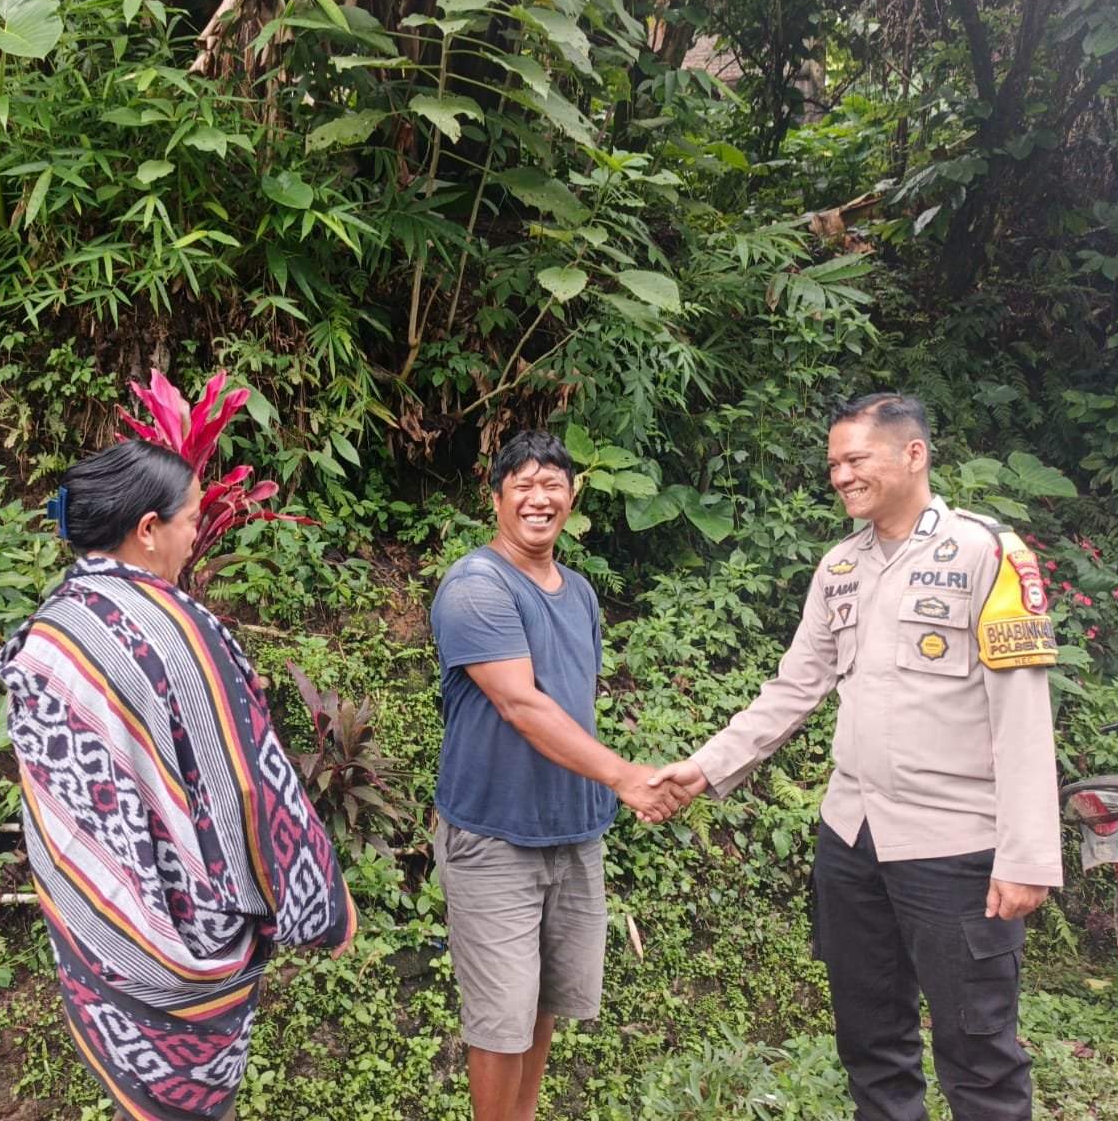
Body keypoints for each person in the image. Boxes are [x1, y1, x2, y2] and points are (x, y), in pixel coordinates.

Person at [651, 393, 1062, 1121]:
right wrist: (706, 766)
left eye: (855, 459)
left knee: (980, 1056)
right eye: (833, 463)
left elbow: (1021, 711)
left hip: (956, 845)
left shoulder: (987, 553)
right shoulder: (839, 567)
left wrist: (1028, 854)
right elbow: (794, 687)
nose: (840, 476)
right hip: (852, 837)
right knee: (871, 1044)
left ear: (914, 454)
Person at [0, 440, 355, 1121]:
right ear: (148, 529)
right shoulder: (180, 636)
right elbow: (246, 790)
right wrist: (321, 903)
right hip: (185, 951)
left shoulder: (50, 632)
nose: (198, 534)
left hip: (98, 934)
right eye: (192, 518)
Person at [431, 430, 685, 1121]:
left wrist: (608, 786)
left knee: (544, 1002)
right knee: (499, 1019)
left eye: (553, 486)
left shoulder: (577, 592)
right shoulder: (475, 586)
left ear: (571, 499)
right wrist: (626, 776)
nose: (539, 499)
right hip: (494, 836)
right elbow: (521, 704)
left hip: (573, 832)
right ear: (497, 500)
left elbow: (575, 698)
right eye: (523, 485)